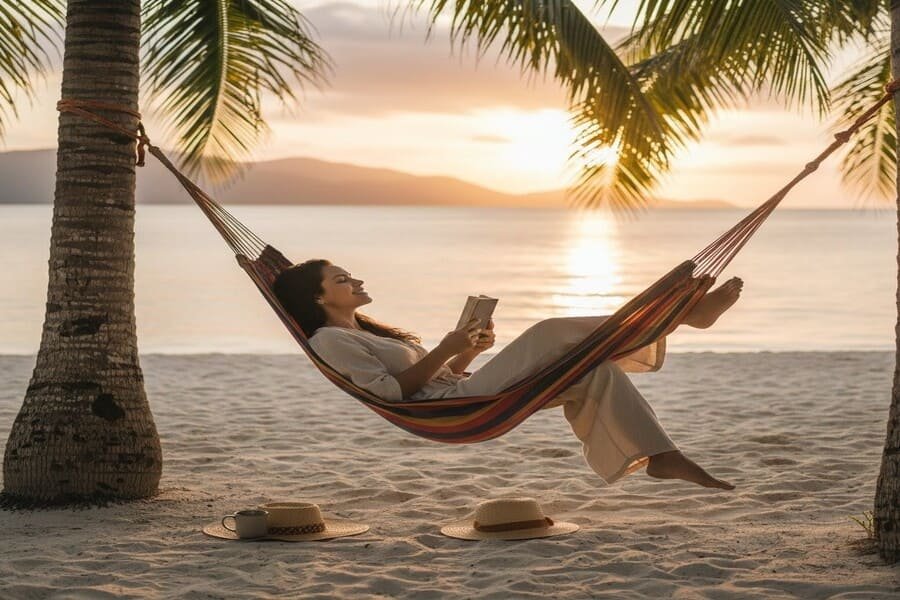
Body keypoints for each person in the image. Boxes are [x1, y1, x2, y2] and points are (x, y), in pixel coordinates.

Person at [273, 259, 743, 490]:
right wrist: (444, 350)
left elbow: (442, 378)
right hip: (453, 410)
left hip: (464, 394)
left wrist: (466, 352)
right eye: (341, 280)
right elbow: (394, 394)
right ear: (318, 300)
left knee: (595, 371)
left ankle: (661, 455)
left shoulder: (366, 331)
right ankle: (682, 317)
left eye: (350, 276)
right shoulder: (330, 340)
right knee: (551, 330)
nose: (356, 282)